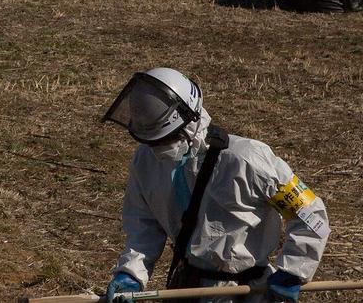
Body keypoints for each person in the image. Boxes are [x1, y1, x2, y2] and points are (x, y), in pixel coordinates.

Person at [99, 68, 328, 303]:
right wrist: (131, 273)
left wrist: (293, 271)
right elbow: (143, 225)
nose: (160, 150)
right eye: (153, 142)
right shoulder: (146, 160)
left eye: (169, 139)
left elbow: (310, 214)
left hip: (247, 293)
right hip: (186, 287)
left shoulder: (247, 159)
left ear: (191, 124)